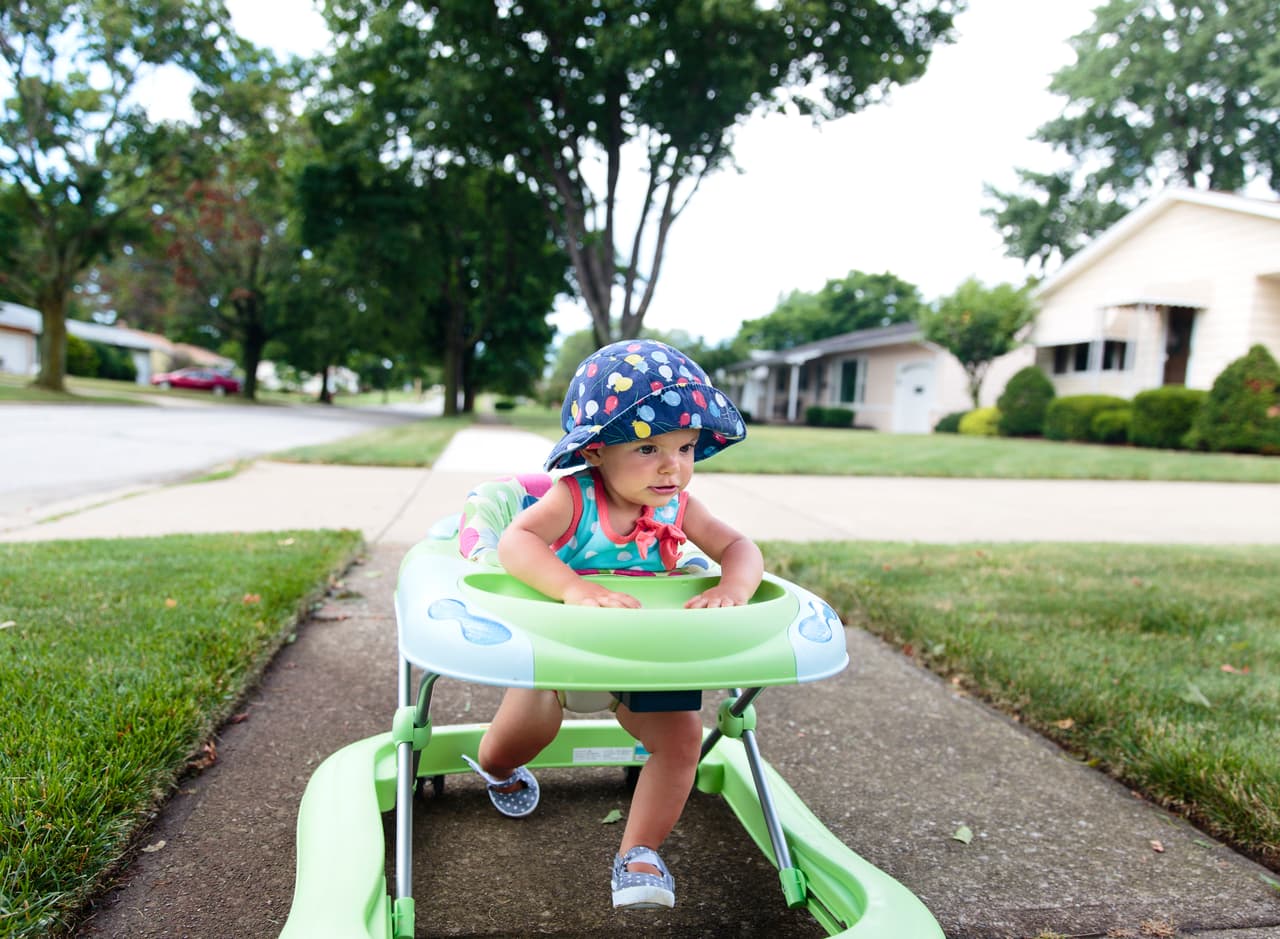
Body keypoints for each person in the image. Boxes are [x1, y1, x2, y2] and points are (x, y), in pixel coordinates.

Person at [461, 339, 763, 912]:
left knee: (682, 742)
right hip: (562, 652)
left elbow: (740, 547)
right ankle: (497, 770)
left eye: (685, 447)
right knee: (517, 741)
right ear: (597, 451)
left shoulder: (680, 506)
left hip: (643, 654)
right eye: (648, 447)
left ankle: (639, 854)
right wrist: (575, 589)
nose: (673, 466)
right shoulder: (573, 497)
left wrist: (733, 588)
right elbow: (517, 542)